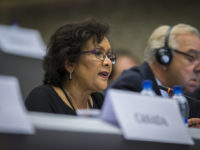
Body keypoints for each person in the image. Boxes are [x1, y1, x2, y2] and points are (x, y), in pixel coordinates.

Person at [109, 24, 200, 127]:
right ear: (164, 57)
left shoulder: (192, 98)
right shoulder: (129, 86)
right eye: (192, 57)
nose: (198, 68)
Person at [25, 18, 116, 115]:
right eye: (98, 53)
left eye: (109, 55)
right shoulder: (43, 98)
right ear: (70, 64)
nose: (108, 62)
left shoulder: (101, 102)